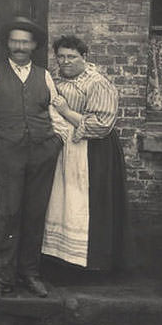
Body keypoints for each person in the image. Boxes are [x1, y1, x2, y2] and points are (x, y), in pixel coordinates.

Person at [0, 16, 65, 299]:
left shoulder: (44, 75)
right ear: (8, 44)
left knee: (35, 213)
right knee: (8, 213)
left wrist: (56, 141)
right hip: (9, 151)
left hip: (42, 150)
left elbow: (55, 110)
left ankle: (30, 274)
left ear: (34, 46)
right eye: (15, 41)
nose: (19, 46)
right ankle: (1, 278)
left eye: (25, 42)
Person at [42, 35, 128, 271]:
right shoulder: (55, 78)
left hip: (94, 151)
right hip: (64, 146)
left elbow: (101, 124)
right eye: (61, 56)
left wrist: (66, 111)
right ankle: (61, 260)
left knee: (86, 203)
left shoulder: (97, 83)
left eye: (72, 57)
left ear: (84, 57)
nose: (65, 61)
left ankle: (91, 265)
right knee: (62, 200)